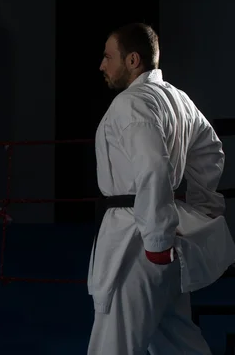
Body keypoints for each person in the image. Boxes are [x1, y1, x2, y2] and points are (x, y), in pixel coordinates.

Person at [88, 22, 235, 355]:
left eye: (108, 57)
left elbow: (153, 166)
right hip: (166, 239)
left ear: (133, 60)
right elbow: (210, 150)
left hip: (138, 239)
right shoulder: (178, 99)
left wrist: (156, 240)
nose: (102, 65)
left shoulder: (132, 103)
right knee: (177, 341)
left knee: (114, 346)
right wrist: (203, 207)